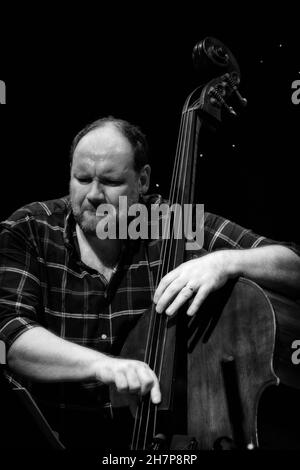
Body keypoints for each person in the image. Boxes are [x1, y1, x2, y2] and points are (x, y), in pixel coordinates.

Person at [0, 116, 299, 450]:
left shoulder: (171, 222)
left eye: (111, 181)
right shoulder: (31, 229)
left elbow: (293, 263)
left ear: (142, 180)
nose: (94, 195)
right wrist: (106, 367)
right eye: (81, 178)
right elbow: (10, 332)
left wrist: (226, 261)